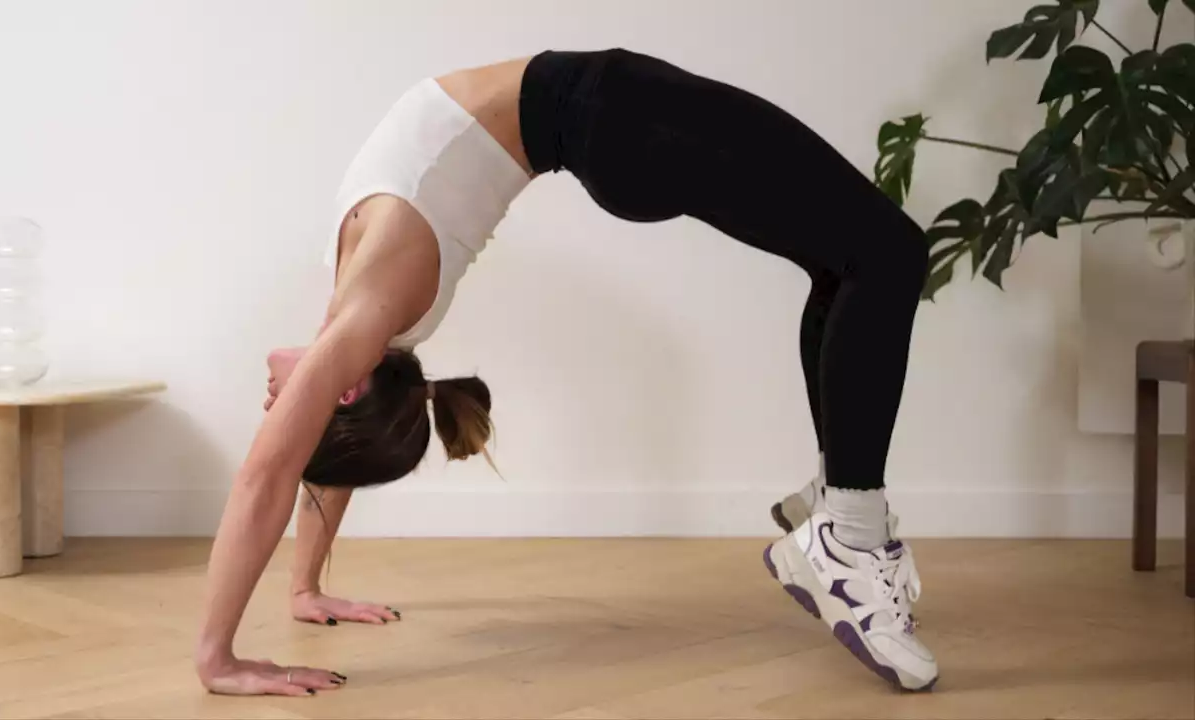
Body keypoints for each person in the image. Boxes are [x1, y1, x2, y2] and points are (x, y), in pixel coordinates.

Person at [194, 48, 935, 697]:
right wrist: (217, 658)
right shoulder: (371, 309)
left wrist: (304, 587)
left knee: (847, 263)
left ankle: (837, 494)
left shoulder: (354, 308)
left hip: (607, 126)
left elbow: (322, 454)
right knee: (888, 253)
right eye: (285, 409)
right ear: (347, 386)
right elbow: (269, 474)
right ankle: (849, 534)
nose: (270, 405)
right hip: (612, 113)